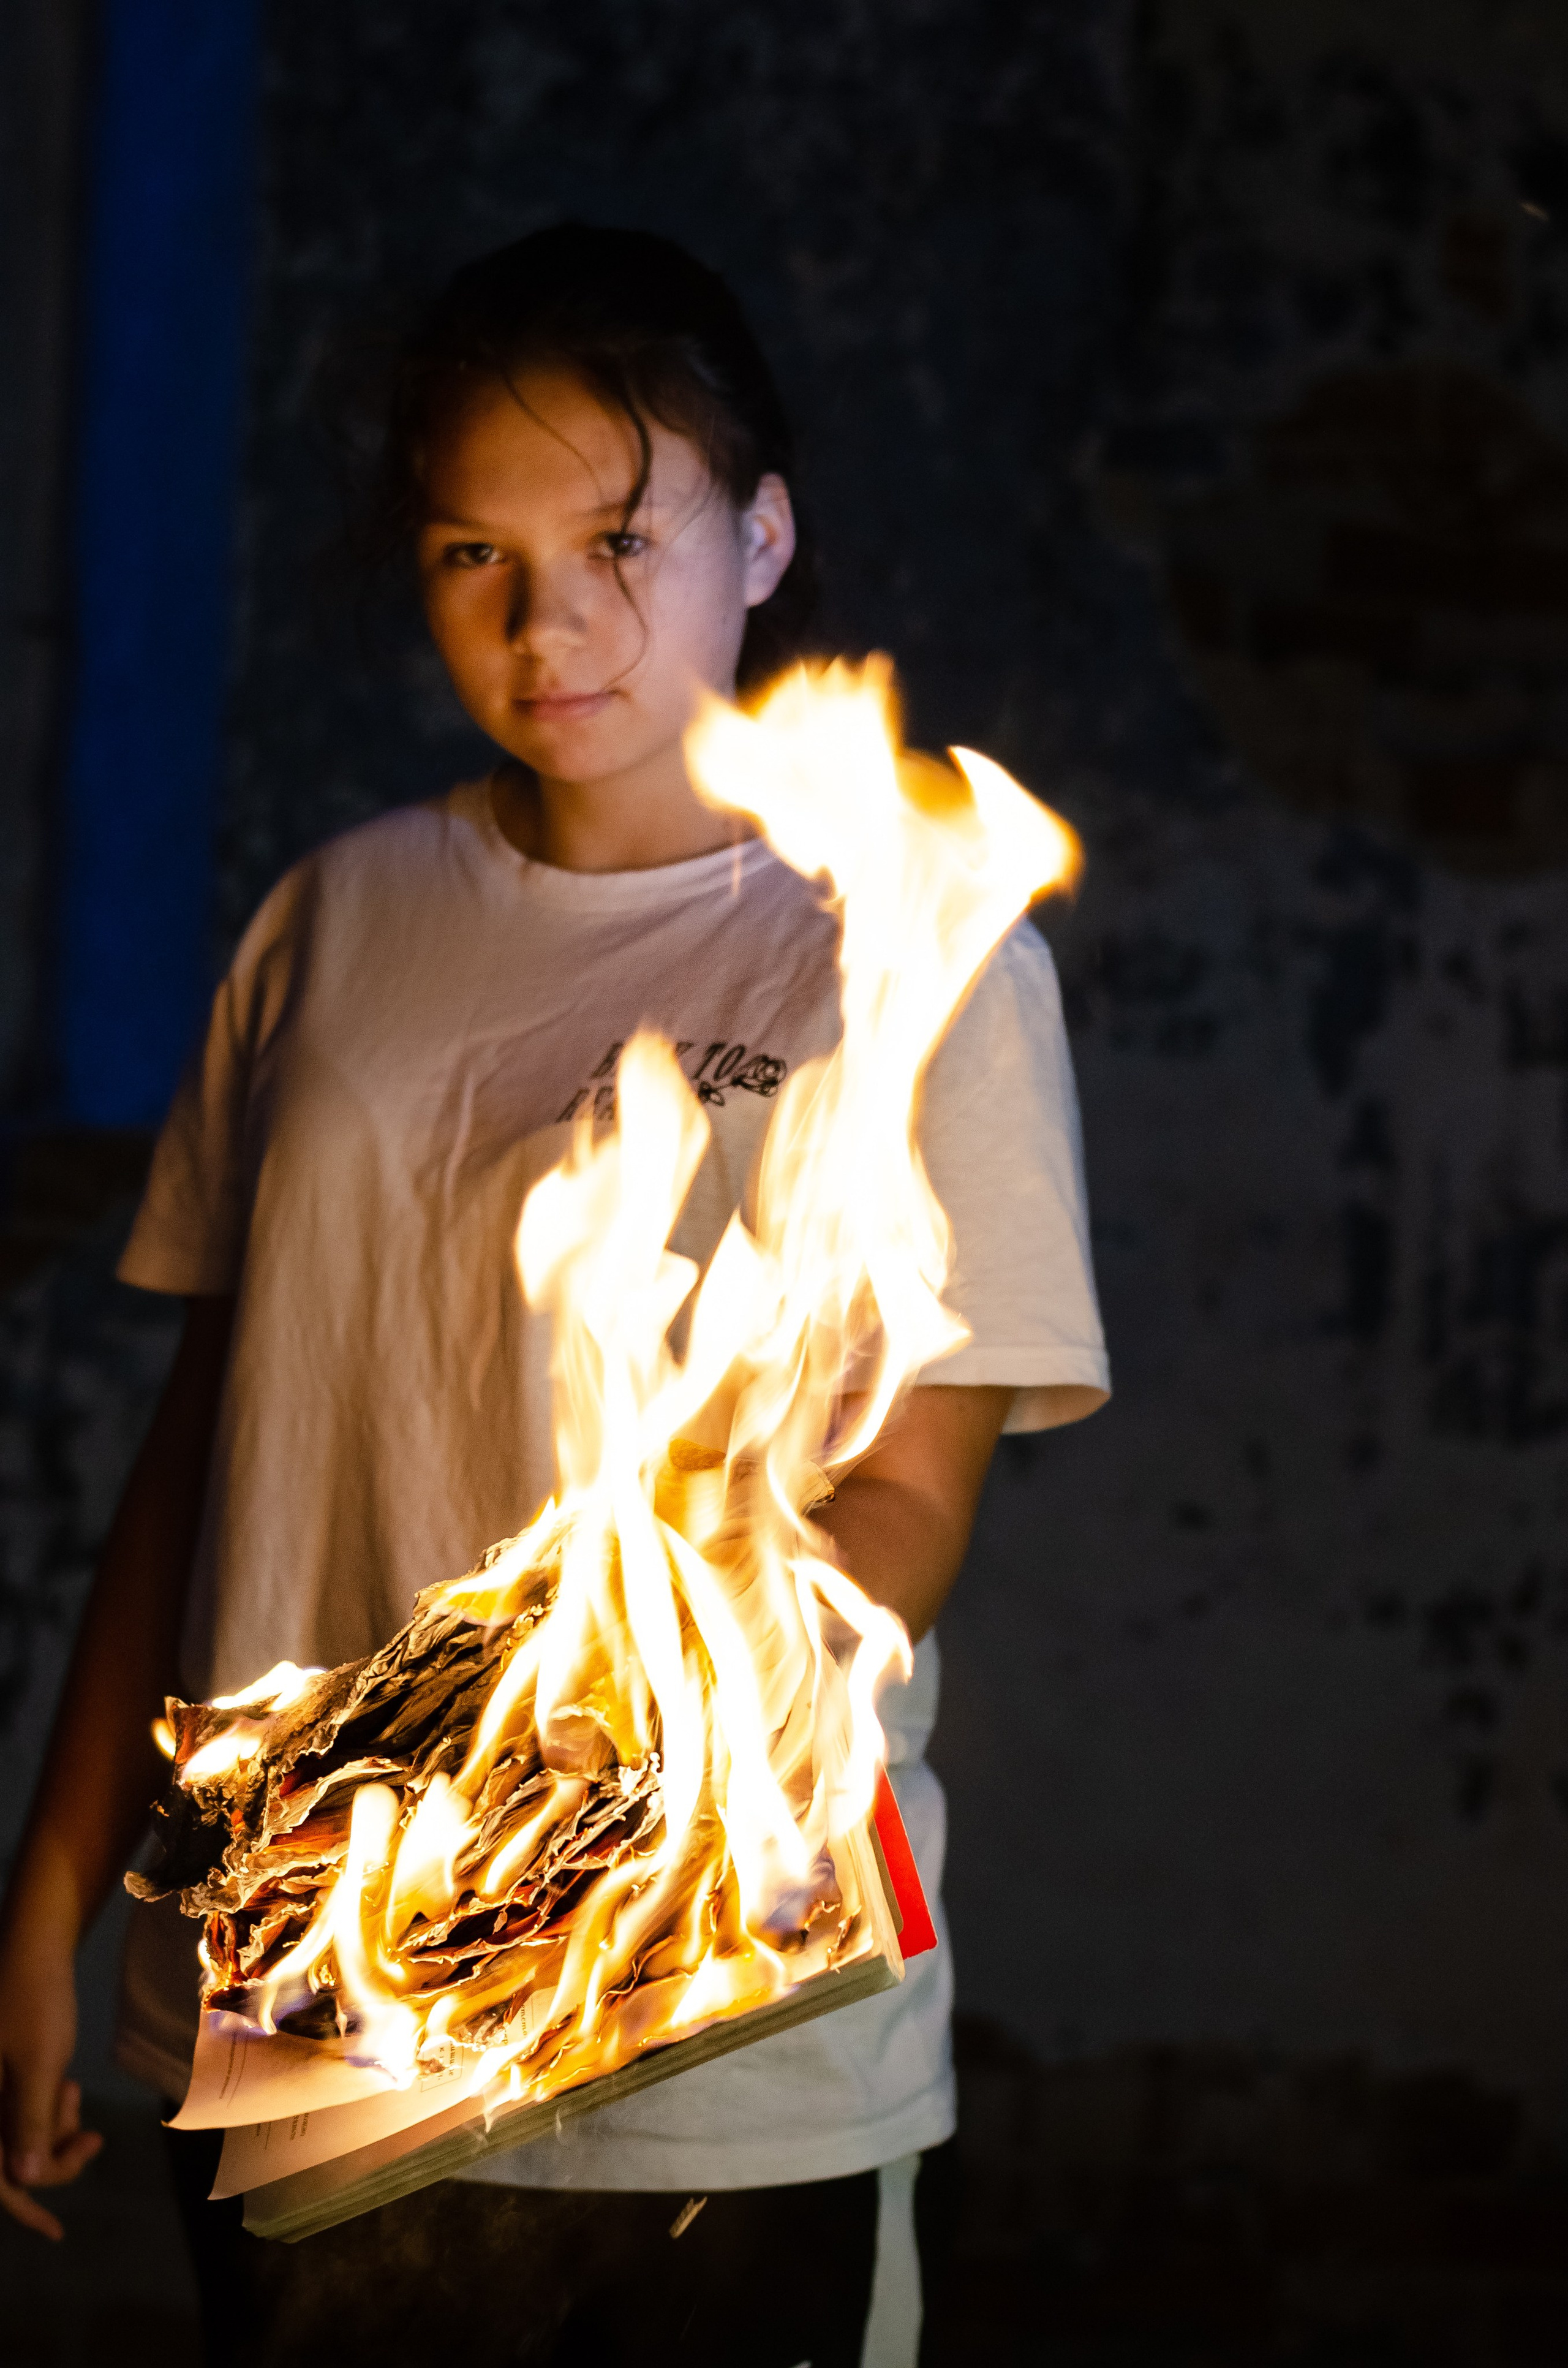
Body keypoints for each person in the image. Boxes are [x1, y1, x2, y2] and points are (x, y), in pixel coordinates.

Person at [0, 224, 1108, 2366]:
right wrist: (50, 1889)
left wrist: (549, 1828)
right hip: (294, 2017)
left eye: (618, 533)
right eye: (466, 554)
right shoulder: (336, 923)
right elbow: (210, 1456)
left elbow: (901, 1511)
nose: (549, 621)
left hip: (705, 2043)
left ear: (761, 531)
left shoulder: (905, 949)